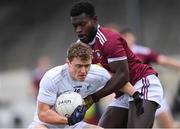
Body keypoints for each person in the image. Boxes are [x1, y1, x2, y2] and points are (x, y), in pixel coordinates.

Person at [70, 1, 163, 128]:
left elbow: (122, 76)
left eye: (82, 24)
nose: (79, 30)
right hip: (123, 92)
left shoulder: (109, 39)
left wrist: (92, 99)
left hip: (142, 84)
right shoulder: (80, 47)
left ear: (95, 20)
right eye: (75, 26)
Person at [28, 42, 139, 129]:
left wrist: (135, 94)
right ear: (68, 62)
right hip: (45, 125)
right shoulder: (52, 77)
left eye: (87, 66)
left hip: (74, 126)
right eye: (79, 66)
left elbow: (118, 81)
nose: (83, 71)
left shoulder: (97, 73)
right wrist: (69, 120)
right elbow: (43, 113)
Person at [120, 28, 180, 128]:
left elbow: (163, 60)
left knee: (169, 126)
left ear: (133, 38)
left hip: (150, 93)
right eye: (124, 37)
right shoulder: (119, 54)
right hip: (131, 96)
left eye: (128, 36)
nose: (127, 39)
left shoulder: (142, 51)